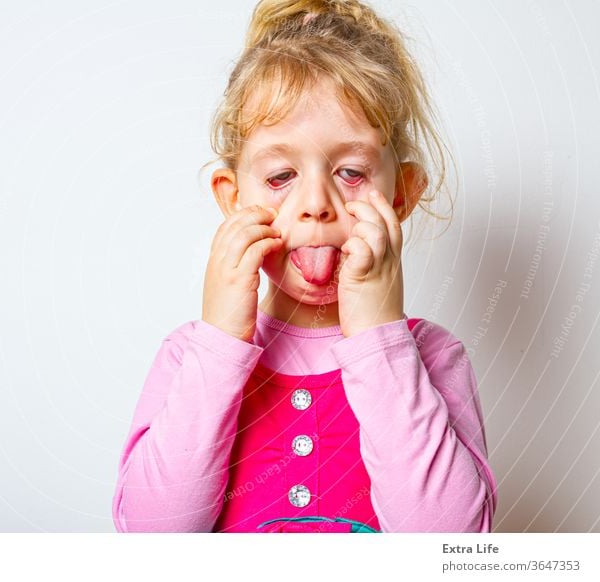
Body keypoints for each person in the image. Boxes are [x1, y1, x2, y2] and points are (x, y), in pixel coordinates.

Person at [111, 0, 497, 533]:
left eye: (351, 171)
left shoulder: (432, 357)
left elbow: (451, 547)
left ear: (402, 194)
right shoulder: (190, 355)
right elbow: (152, 536)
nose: (316, 202)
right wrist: (221, 341)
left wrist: (378, 336)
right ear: (231, 198)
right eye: (279, 177)